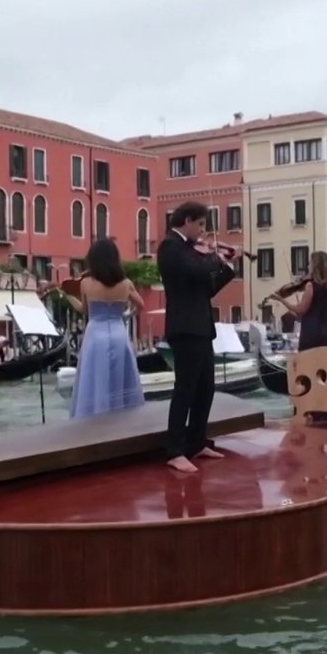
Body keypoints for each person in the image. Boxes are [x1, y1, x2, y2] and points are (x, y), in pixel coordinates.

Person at [157, 202, 241, 473]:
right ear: (188, 221)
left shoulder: (192, 252)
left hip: (201, 327)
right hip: (185, 328)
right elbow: (196, 269)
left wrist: (228, 267)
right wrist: (215, 257)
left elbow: (208, 288)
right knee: (185, 389)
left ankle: (196, 442)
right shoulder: (171, 247)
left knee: (205, 388)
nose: (203, 231)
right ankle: (175, 450)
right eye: (201, 225)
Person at [61, 239, 146, 419]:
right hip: (118, 332)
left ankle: (94, 417)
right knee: (120, 378)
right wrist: (127, 315)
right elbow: (141, 305)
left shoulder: (86, 283)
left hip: (95, 334)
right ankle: (122, 416)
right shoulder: (126, 283)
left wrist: (68, 297)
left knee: (94, 378)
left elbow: (84, 310)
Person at [270, 251, 327, 351]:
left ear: (315, 266)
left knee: (307, 362)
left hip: (311, 331)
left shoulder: (311, 286)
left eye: (310, 263)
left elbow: (300, 310)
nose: (308, 266)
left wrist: (281, 300)